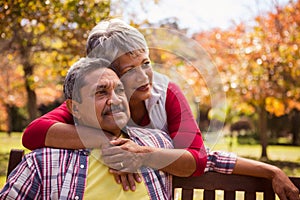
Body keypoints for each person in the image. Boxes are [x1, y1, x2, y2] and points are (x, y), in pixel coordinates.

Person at [22, 19, 299, 199]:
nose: (144, 77)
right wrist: (112, 146)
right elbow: (34, 133)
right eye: (129, 70)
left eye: (146, 63)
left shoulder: (166, 95)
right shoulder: (93, 100)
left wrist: (141, 155)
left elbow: (200, 158)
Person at [1, 57, 194, 199]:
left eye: (119, 90)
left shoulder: (157, 142)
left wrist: (143, 155)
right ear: (74, 107)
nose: (116, 100)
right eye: (101, 92)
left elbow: (208, 160)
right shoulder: (43, 162)